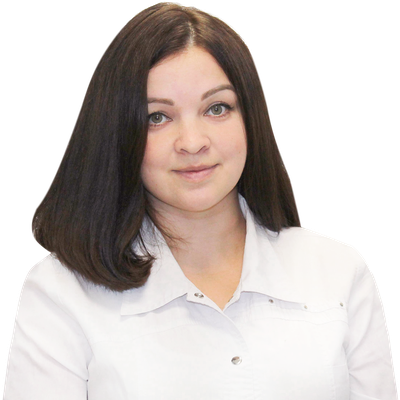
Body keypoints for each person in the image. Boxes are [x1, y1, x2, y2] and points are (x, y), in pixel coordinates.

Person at [2, 2, 397, 399]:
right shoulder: (60, 294)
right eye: (157, 117)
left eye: (217, 108)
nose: (192, 143)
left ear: (251, 119)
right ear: (119, 132)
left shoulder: (338, 272)